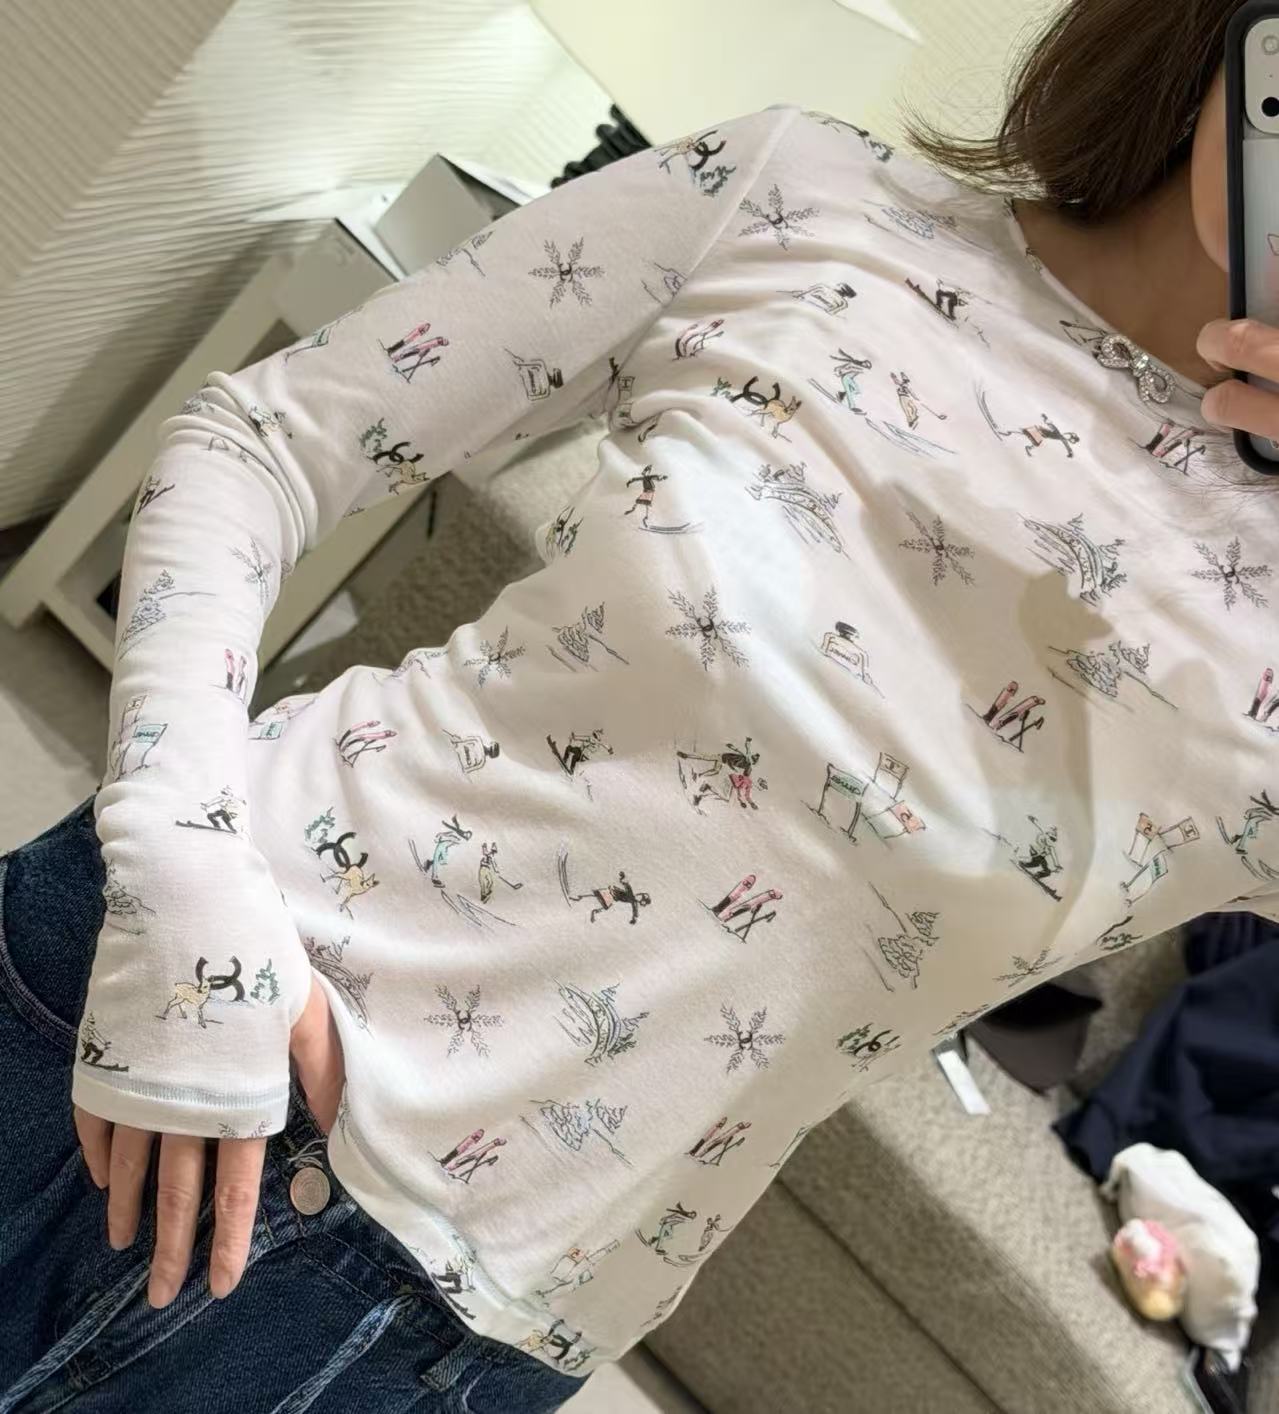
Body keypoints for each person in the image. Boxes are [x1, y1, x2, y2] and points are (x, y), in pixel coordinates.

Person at [3, 0, 1278, 1404]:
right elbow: (264, 442)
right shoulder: (811, 199)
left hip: (431, 1321)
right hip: (129, 985)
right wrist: (180, 876)